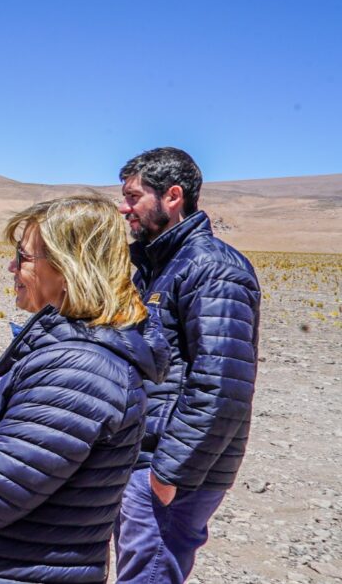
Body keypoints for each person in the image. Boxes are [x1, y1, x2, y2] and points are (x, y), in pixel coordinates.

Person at [0, 194, 164, 583]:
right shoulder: (62, 347)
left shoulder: (80, 368)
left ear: (68, 267)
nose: (11, 266)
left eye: (23, 257)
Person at [114, 148, 262, 583]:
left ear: (173, 196)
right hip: (146, 457)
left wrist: (169, 472)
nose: (124, 208)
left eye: (133, 196)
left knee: (151, 572)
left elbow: (223, 387)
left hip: (172, 468)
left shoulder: (213, 269)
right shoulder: (154, 265)